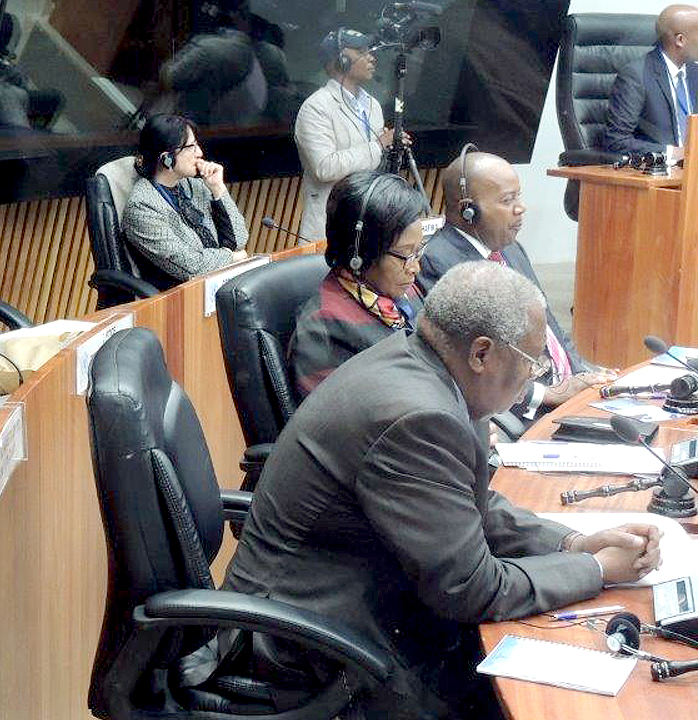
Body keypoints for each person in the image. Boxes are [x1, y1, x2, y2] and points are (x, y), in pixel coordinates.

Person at [223, 261, 661, 719]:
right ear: (481, 354)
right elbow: (469, 588)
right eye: (533, 362)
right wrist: (595, 569)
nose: (537, 376)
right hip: (310, 649)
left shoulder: (430, 369)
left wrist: (572, 543)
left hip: (365, 603)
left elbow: (470, 503)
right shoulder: (417, 416)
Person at [416, 147, 614, 420]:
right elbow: (468, 368)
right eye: (508, 200)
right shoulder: (440, 264)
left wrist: (581, 373)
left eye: (517, 196)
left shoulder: (510, 249)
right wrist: (549, 394)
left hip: (562, 393)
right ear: (468, 211)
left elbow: (550, 328)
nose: (521, 208)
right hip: (517, 412)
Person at [290, 171, 431, 397]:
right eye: (405, 255)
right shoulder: (323, 328)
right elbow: (344, 423)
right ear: (361, 252)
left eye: (418, 251)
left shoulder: (404, 291)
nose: (415, 268)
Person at [294, 28, 400, 242]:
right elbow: (325, 167)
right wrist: (378, 145)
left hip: (368, 221)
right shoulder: (316, 107)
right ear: (341, 60)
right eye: (362, 51)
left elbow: (373, 160)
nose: (371, 57)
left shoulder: (372, 105)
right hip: (329, 226)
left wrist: (391, 146)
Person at [121, 114, 249, 289]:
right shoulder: (142, 207)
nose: (200, 153)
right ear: (167, 158)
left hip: (218, 286)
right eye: (191, 147)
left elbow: (239, 240)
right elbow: (191, 267)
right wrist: (232, 257)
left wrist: (218, 188)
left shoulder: (195, 185)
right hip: (179, 300)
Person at [605, 4, 698, 160]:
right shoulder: (636, 75)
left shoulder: (695, 73)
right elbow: (616, 141)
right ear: (680, 40)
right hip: (661, 175)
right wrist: (675, 153)